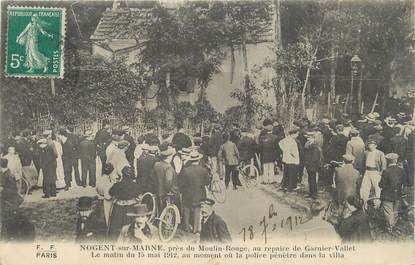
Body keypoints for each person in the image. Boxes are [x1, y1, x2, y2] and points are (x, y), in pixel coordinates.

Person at [108, 166, 143, 240]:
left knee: (115, 229)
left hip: (118, 209)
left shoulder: (118, 185)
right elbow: (139, 195)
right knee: (130, 228)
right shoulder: (135, 186)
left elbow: (111, 192)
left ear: (123, 175)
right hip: (130, 209)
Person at [179, 150, 210, 233]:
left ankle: (186, 228)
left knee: (186, 211)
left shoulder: (185, 170)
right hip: (199, 194)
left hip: (187, 194)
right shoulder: (203, 170)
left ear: (191, 160)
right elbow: (207, 182)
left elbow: (181, 183)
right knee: (197, 211)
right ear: (198, 160)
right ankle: (195, 229)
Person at [379, 153, 408, 232]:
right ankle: (394, 225)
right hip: (398, 194)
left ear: (388, 161)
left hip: (387, 195)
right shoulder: (401, 170)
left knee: (388, 211)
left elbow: (382, 185)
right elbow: (405, 181)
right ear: (396, 160)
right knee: (395, 211)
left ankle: (390, 227)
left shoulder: (386, 171)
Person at [152, 143, 179, 211]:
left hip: (158, 190)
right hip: (167, 193)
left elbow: (152, 176)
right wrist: (168, 191)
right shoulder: (168, 167)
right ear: (168, 157)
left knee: (160, 209)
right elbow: (168, 181)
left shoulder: (156, 164)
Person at [360, 139, 386, 207]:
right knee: (364, 188)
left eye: (372, 145)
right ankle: (364, 203)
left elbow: (383, 165)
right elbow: (363, 163)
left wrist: (381, 173)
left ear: (376, 146)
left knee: (377, 188)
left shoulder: (380, 153)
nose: (370, 146)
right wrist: (362, 172)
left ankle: (377, 204)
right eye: (369, 145)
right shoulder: (365, 152)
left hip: (375, 172)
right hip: (367, 171)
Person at [304, 131, 323, 199]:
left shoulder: (314, 147)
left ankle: (314, 195)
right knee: (310, 180)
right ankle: (311, 193)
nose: (308, 139)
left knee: (312, 180)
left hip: (312, 166)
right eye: (307, 138)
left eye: (309, 138)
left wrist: (308, 163)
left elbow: (314, 158)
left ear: (313, 138)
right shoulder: (309, 145)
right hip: (309, 166)